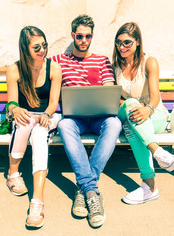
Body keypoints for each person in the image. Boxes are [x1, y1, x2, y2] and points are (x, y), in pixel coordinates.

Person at [0, 26, 62, 228]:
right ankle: (13, 174)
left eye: (44, 45)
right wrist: (15, 110)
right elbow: (12, 102)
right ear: (25, 49)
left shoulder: (53, 68)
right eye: (36, 47)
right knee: (24, 122)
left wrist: (46, 114)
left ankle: (37, 202)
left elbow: (53, 102)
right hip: (27, 117)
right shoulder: (15, 70)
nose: (42, 50)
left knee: (39, 134)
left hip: (48, 116)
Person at [52, 15, 122, 228]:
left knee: (115, 124)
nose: (84, 40)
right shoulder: (58, 61)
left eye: (88, 36)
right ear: (73, 35)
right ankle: (91, 191)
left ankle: (84, 188)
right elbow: (30, 65)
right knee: (64, 125)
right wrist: (2, 71)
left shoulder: (102, 61)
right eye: (80, 36)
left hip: (101, 117)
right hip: (75, 119)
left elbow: (109, 87)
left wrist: (107, 92)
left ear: (92, 36)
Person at [112, 22, 174, 205]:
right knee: (131, 105)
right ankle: (158, 152)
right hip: (129, 111)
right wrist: (133, 105)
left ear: (137, 42)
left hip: (153, 114)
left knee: (131, 128)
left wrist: (147, 109)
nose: (122, 47)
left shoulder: (149, 62)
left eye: (127, 42)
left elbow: (155, 95)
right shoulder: (115, 66)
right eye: (118, 42)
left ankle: (149, 187)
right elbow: (113, 98)